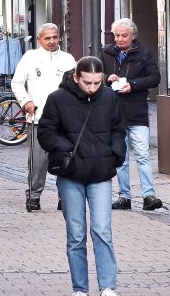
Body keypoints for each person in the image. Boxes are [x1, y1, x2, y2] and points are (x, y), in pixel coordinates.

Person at [37, 57, 126, 296]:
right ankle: (80, 289)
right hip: (71, 174)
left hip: (100, 172)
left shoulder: (109, 97)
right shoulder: (57, 98)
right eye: (88, 82)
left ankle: (107, 286)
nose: (93, 87)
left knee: (102, 231)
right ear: (76, 77)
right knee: (76, 234)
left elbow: (118, 129)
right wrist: (66, 148)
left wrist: (117, 152)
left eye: (97, 82)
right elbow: (45, 132)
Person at [12, 22, 76, 212]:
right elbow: (16, 83)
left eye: (55, 37)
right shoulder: (30, 57)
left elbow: (76, 85)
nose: (51, 41)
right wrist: (26, 101)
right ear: (39, 39)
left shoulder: (68, 59)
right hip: (38, 116)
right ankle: (33, 195)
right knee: (38, 161)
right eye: (47, 38)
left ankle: (64, 197)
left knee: (65, 159)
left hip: (64, 120)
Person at [101, 18, 163, 211]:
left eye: (124, 35)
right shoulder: (106, 53)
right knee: (121, 157)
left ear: (133, 35)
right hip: (114, 113)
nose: (119, 39)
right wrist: (105, 78)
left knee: (143, 155)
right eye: (117, 35)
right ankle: (124, 196)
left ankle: (149, 195)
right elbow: (94, 76)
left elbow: (155, 78)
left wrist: (133, 85)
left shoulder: (144, 54)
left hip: (137, 112)